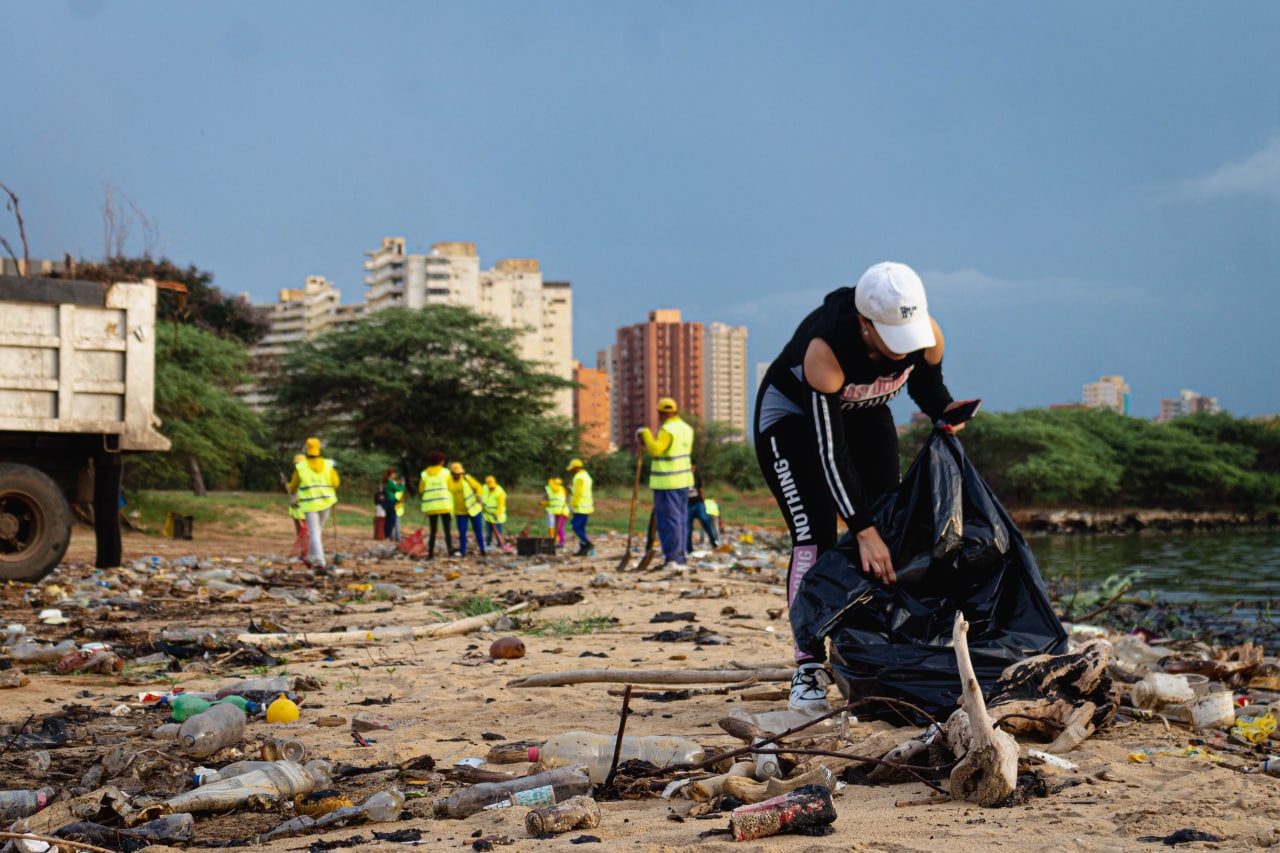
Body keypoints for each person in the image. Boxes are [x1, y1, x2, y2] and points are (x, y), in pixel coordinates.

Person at [753, 261, 972, 712]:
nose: (902, 351)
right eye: (892, 339)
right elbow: (830, 456)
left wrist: (947, 412)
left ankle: (875, 650)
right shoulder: (826, 349)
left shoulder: (925, 333)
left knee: (888, 526)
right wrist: (863, 531)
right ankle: (809, 664)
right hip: (794, 421)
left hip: (866, 412)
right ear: (864, 325)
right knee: (815, 532)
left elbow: (928, 389)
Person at [638, 397, 695, 570]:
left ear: (661, 413)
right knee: (681, 521)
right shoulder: (686, 429)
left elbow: (656, 450)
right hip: (684, 481)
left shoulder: (667, 430)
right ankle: (680, 556)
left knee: (669, 521)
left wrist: (645, 434)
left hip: (667, 482)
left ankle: (673, 558)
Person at [287, 437, 340, 570]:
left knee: (314, 533)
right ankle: (310, 559)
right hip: (326, 502)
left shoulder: (301, 467)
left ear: (306, 449)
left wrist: (290, 488)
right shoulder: (328, 464)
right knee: (316, 532)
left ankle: (321, 563)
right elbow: (336, 483)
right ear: (319, 449)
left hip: (310, 505)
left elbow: (293, 487)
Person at [418, 450, 455, 559]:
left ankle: (430, 554)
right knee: (447, 530)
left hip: (431, 507)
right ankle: (450, 551)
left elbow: (421, 490)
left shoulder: (424, 474)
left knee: (433, 531)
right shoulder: (446, 473)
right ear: (440, 461)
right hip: (444, 505)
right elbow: (451, 488)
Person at [447, 462, 487, 557]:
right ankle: (463, 551)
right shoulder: (450, 482)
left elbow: (478, 487)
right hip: (460, 512)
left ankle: (482, 550)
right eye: (456, 473)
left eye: (460, 472)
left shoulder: (467, 478)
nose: (459, 474)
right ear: (453, 473)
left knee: (478, 530)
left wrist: (479, 495)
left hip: (474, 510)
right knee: (462, 532)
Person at [686, 462, 719, 551]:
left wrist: (703, 502)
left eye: (692, 466)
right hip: (687, 505)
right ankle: (689, 549)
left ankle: (714, 542)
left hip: (698, 503)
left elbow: (701, 489)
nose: (691, 468)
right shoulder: (682, 477)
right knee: (688, 528)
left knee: (705, 519)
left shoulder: (696, 476)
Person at [566, 458, 594, 556]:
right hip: (587, 507)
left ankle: (587, 543)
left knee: (575, 527)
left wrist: (572, 505)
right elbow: (580, 490)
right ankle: (582, 550)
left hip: (579, 507)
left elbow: (577, 493)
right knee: (581, 528)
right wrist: (571, 488)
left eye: (572, 469)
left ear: (577, 468)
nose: (571, 471)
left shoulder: (578, 477)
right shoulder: (586, 476)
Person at [481, 475, 511, 551]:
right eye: (489, 486)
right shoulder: (484, 488)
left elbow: (501, 505)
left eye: (492, 486)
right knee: (488, 532)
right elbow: (482, 498)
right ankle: (488, 545)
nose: (491, 487)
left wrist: (497, 514)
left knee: (498, 532)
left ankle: (500, 545)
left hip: (497, 516)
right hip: (488, 515)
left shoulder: (500, 492)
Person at [378, 467, 404, 542]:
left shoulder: (386, 482)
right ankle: (389, 535)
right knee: (392, 519)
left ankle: (387, 535)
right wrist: (402, 485)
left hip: (387, 502)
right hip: (391, 502)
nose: (395, 475)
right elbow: (398, 489)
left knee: (388, 518)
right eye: (394, 473)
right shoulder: (390, 482)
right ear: (391, 474)